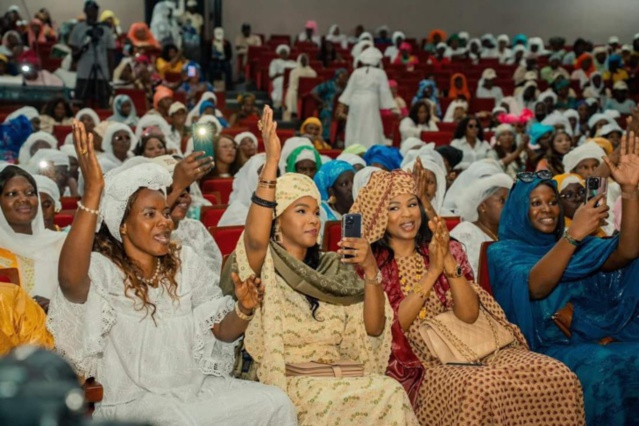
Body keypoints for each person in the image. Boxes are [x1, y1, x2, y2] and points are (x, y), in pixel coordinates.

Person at [48, 120, 297, 425]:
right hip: (135, 404)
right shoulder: (104, 269)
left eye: (164, 213)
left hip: (195, 392)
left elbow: (221, 330)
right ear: (122, 225)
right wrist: (93, 193)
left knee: (274, 402)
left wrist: (243, 309)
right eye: (150, 214)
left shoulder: (185, 261)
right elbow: (69, 282)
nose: (164, 221)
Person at [228, 106, 419, 425]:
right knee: (353, 401)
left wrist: (371, 270)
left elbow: (373, 330)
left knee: (389, 390)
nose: (314, 220)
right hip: (296, 387)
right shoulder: (265, 267)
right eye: (301, 211)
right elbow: (256, 241)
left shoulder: (334, 267)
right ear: (276, 220)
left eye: (316, 212)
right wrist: (272, 162)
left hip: (347, 379)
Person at [353, 169, 585, 425]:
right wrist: (432, 272)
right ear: (378, 216)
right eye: (394, 208)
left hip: (475, 344)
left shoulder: (446, 247)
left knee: (555, 373)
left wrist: (447, 260)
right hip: (420, 363)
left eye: (412, 204)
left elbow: (469, 314)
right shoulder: (370, 264)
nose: (407, 214)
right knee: (480, 386)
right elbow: (389, 330)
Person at [488, 133, 639, 424]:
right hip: (543, 346)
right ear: (520, 210)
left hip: (591, 337)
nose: (547, 209)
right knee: (605, 367)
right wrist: (573, 235)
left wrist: (630, 192)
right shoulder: (503, 251)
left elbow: (627, 251)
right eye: (535, 203)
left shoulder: (578, 244)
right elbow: (536, 285)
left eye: (552, 202)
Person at [0, 165, 66, 312]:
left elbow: (85, 297)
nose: (23, 199)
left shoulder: (61, 244)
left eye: (30, 192)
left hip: (59, 329)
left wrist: (57, 307)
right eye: (12, 194)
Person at [450, 173, 513, 276]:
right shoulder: (466, 232)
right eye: (502, 201)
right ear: (482, 206)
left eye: (510, 201)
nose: (509, 206)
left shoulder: (507, 234)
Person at [338, 48, 396, 148]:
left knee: (355, 126)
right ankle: (370, 147)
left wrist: (342, 104)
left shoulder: (356, 72)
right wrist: (391, 107)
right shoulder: (380, 73)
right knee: (370, 125)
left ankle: (354, 148)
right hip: (371, 101)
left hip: (355, 102)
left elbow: (349, 90)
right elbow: (385, 92)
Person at [69, 1, 115, 109]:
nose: (93, 12)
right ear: (85, 11)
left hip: (102, 72)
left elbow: (111, 54)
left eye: (95, 10)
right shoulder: (78, 29)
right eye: (90, 10)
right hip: (83, 72)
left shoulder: (105, 30)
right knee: (80, 101)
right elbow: (74, 54)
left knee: (103, 102)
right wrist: (85, 44)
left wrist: (110, 76)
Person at [218, 154, 266, 227]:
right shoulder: (237, 212)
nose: (269, 178)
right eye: (263, 173)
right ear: (251, 176)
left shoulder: (281, 204)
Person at [311, 68, 348, 141]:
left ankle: (341, 138)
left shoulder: (347, 87)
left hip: (342, 109)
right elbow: (313, 92)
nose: (346, 79)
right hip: (329, 107)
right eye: (344, 77)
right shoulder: (328, 84)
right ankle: (326, 138)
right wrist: (322, 102)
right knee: (326, 113)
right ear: (338, 77)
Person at [284, 53, 317, 121]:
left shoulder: (294, 72)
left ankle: (292, 112)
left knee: (290, 91)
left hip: (296, 93)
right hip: (308, 94)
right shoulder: (313, 72)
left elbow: (292, 85)